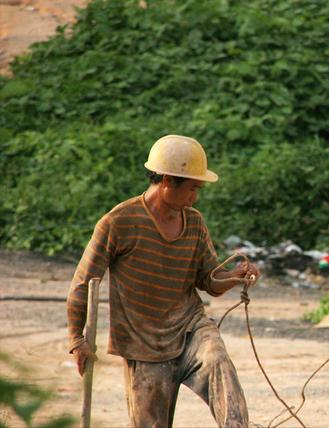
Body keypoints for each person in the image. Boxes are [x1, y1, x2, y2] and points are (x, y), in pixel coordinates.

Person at [66, 135, 259, 428]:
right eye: (192, 188)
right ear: (168, 180)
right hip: (142, 345)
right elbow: (84, 282)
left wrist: (234, 278)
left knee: (217, 359)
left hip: (190, 328)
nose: (195, 197)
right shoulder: (118, 222)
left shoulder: (194, 222)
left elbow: (208, 280)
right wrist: (77, 339)